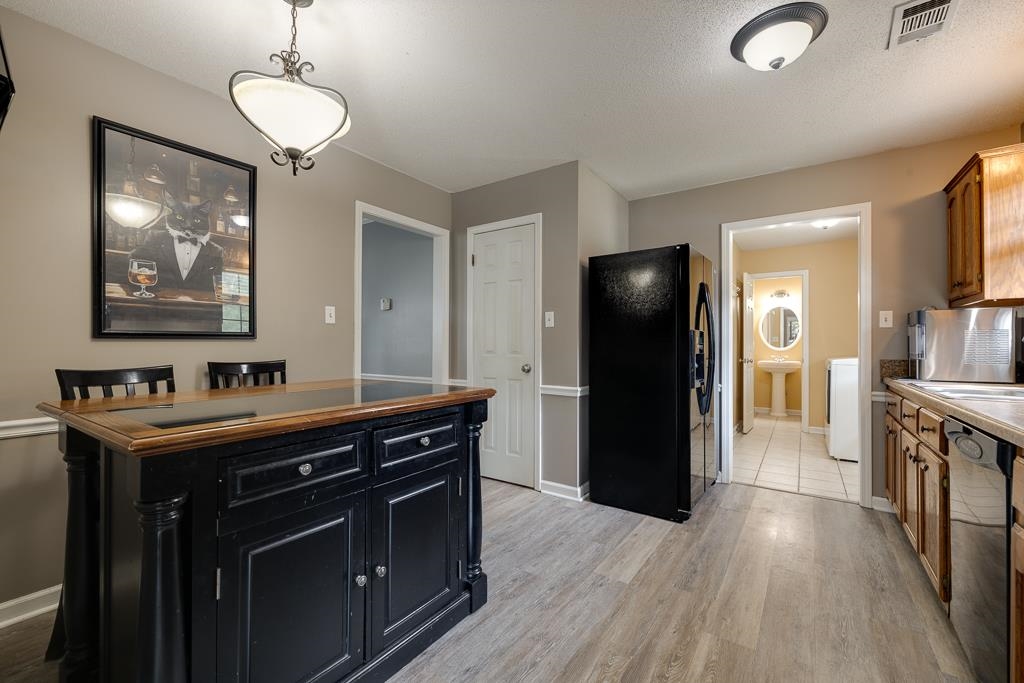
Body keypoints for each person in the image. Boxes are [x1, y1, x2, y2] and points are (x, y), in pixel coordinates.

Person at [129, 194, 223, 293]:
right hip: (160, 300)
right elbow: (133, 263)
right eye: (180, 217)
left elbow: (218, 288)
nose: (188, 225)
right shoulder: (155, 238)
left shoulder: (216, 251)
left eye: (196, 220)